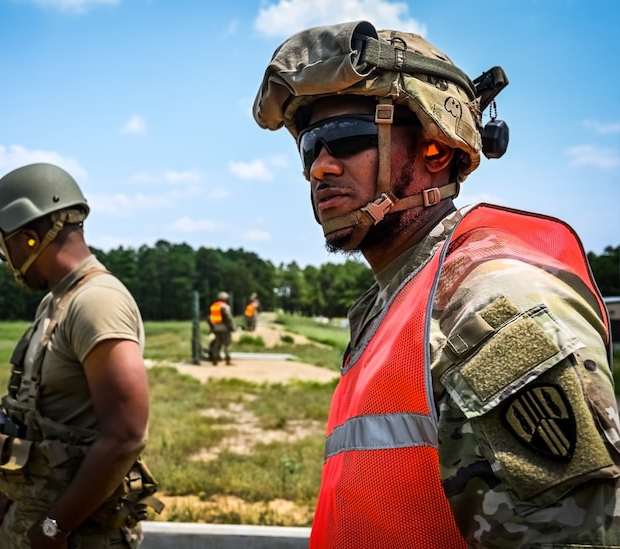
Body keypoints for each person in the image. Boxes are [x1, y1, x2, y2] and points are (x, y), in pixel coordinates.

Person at [252, 20, 619, 548]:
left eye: (346, 138)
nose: (320, 168)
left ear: (437, 151)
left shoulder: (489, 304)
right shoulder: (396, 299)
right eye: (311, 145)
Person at [0, 162, 163, 549]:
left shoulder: (97, 302)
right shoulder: (56, 302)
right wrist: (0, 522)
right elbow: (27, 427)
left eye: (3, 240)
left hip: (77, 534)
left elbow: (126, 434)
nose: (3, 254)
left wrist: (52, 529)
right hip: (33, 519)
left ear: (28, 238)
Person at [207, 291, 235, 365]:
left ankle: (215, 360)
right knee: (227, 344)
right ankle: (228, 360)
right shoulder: (225, 306)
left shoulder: (213, 306)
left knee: (217, 343)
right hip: (224, 328)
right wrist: (232, 327)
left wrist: (212, 327)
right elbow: (228, 318)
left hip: (216, 327)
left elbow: (209, 318)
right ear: (225, 299)